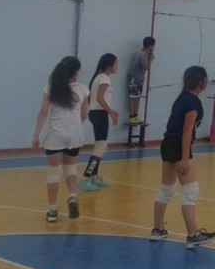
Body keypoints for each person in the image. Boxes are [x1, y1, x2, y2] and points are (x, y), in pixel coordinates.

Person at [150, 65, 215, 248]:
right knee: (190, 191)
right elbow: (187, 130)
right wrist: (185, 158)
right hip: (179, 146)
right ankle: (193, 235)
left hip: (167, 144)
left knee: (166, 189)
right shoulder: (193, 102)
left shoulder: (181, 98)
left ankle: (157, 230)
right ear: (202, 82)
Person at [31, 56, 90, 222]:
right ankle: (72, 196)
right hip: (75, 134)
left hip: (56, 133)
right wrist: (74, 126)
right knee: (71, 168)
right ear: (75, 72)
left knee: (54, 172)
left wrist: (36, 134)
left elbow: (44, 111)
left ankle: (52, 210)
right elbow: (84, 114)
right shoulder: (83, 89)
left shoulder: (52, 87)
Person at [79, 53, 120, 191]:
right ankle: (86, 177)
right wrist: (111, 113)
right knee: (101, 147)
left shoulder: (99, 77)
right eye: (116, 63)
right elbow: (100, 98)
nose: (117, 66)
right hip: (99, 114)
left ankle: (94, 176)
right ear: (110, 65)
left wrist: (111, 111)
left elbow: (98, 99)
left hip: (97, 113)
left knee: (100, 146)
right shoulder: (104, 78)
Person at [127, 36, 155, 125]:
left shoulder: (143, 53)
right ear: (150, 46)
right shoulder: (142, 54)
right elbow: (145, 68)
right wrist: (151, 59)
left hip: (139, 78)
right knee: (133, 97)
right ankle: (131, 116)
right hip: (134, 78)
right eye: (153, 46)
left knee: (138, 97)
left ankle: (135, 116)